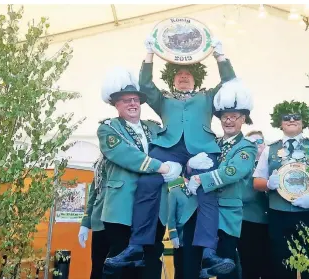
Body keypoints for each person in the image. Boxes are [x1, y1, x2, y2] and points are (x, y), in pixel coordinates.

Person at [105, 35, 239, 277]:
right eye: (179, 75)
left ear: (196, 78)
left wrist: (220, 56)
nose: (184, 77)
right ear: (172, 79)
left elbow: (230, 83)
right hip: (168, 146)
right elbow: (145, 85)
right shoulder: (163, 98)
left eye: (188, 74)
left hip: (202, 148)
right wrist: (150, 54)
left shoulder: (207, 96)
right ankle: (136, 245)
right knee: (147, 182)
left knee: (207, 191)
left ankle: (209, 252)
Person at [97, 67, 182, 278]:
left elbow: (173, 146)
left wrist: (181, 163)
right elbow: (125, 155)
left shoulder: (154, 128)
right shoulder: (108, 129)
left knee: (152, 257)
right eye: (126, 100)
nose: (133, 104)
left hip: (155, 203)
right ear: (115, 104)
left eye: (135, 99)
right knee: (120, 260)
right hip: (122, 204)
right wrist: (161, 167)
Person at [180, 79, 257, 279]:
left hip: (226, 212)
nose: (228, 121)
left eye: (233, 116)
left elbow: (233, 171)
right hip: (201, 211)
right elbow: (192, 171)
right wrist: (189, 166)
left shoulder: (247, 147)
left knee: (226, 265)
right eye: (224, 117)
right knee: (194, 266)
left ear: (243, 120)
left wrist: (201, 179)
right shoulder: (211, 143)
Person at [253, 100, 309, 279]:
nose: (292, 120)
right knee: (281, 266)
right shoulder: (269, 150)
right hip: (279, 215)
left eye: (297, 117)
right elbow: (257, 182)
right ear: (279, 122)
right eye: (287, 117)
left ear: (304, 122)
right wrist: (268, 184)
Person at [237, 130, 271, 279]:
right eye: (251, 143)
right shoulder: (244, 167)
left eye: (259, 142)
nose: (256, 146)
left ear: (264, 144)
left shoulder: (272, 165)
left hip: (272, 222)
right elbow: (244, 195)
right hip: (249, 222)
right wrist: (264, 185)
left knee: (270, 266)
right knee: (250, 266)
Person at [78, 157, 108, 279]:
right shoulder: (100, 163)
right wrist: (85, 223)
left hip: (124, 222)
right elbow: (93, 194)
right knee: (98, 268)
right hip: (100, 222)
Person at [167, 176, 189, 279]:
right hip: (181, 238)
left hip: (198, 239)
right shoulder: (175, 191)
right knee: (181, 271)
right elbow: (171, 216)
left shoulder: (202, 191)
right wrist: (173, 234)